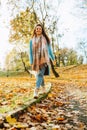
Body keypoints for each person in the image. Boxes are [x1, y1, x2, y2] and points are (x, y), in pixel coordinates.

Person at [29, 23, 55, 98]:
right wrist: (31, 61)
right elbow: (30, 52)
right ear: (35, 30)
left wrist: (53, 58)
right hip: (35, 60)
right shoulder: (31, 41)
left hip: (44, 59)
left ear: (42, 30)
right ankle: (43, 87)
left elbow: (49, 50)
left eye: (40, 29)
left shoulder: (46, 39)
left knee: (39, 74)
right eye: (37, 28)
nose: (38, 30)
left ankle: (36, 91)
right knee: (40, 75)